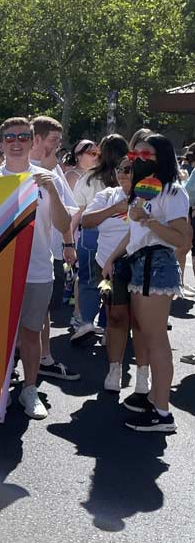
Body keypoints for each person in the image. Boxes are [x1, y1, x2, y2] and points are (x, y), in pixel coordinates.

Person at [0, 117, 73, 419]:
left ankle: (30, 389)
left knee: (31, 334)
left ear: (33, 140)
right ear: (2, 142)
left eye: (23, 136)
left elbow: (63, 225)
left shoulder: (49, 178)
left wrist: (54, 192)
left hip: (36, 271)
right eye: (10, 137)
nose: (17, 142)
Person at [102, 134, 188, 433]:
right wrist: (113, 257)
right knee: (149, 340)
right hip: (141, 265)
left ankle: (162, 413)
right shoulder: (143, 189)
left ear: (162, 155)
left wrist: (148, 220)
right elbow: (133, 233)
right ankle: (154, 399)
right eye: (136, 152)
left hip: (156, 265)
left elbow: (182, 238)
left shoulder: (173, 192)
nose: (139, 157)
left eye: (147, 153)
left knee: (156, 340)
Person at [80, 157, 146, 393]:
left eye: (129, 170)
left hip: (141, 264)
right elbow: (86, 221)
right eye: (120, 169)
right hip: (108, 265)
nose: (123, 173)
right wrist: (115, 209)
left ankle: (142, 374)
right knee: (115, 317)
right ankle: (114, 369)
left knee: (140, 321)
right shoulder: (107, 195)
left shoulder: (150, 195)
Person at [28, 116, 81, 383]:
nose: (58, 146)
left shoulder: (54, 171)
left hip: (45, 256)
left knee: (43, 311)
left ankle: (44, 359)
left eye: (59, 141)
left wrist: (69, 243)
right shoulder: (12, 169)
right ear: (36, 139)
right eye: (53, 140)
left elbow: (69, 212)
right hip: (13, 257)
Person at [71, 135, 128, 343]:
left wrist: (68, 238)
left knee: (87, 279)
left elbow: (79, 210)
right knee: (114, 280)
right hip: (119, 234)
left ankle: (86, 321)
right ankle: (108, 327)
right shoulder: (128, 176)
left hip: (90, 231)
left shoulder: (88, 177)